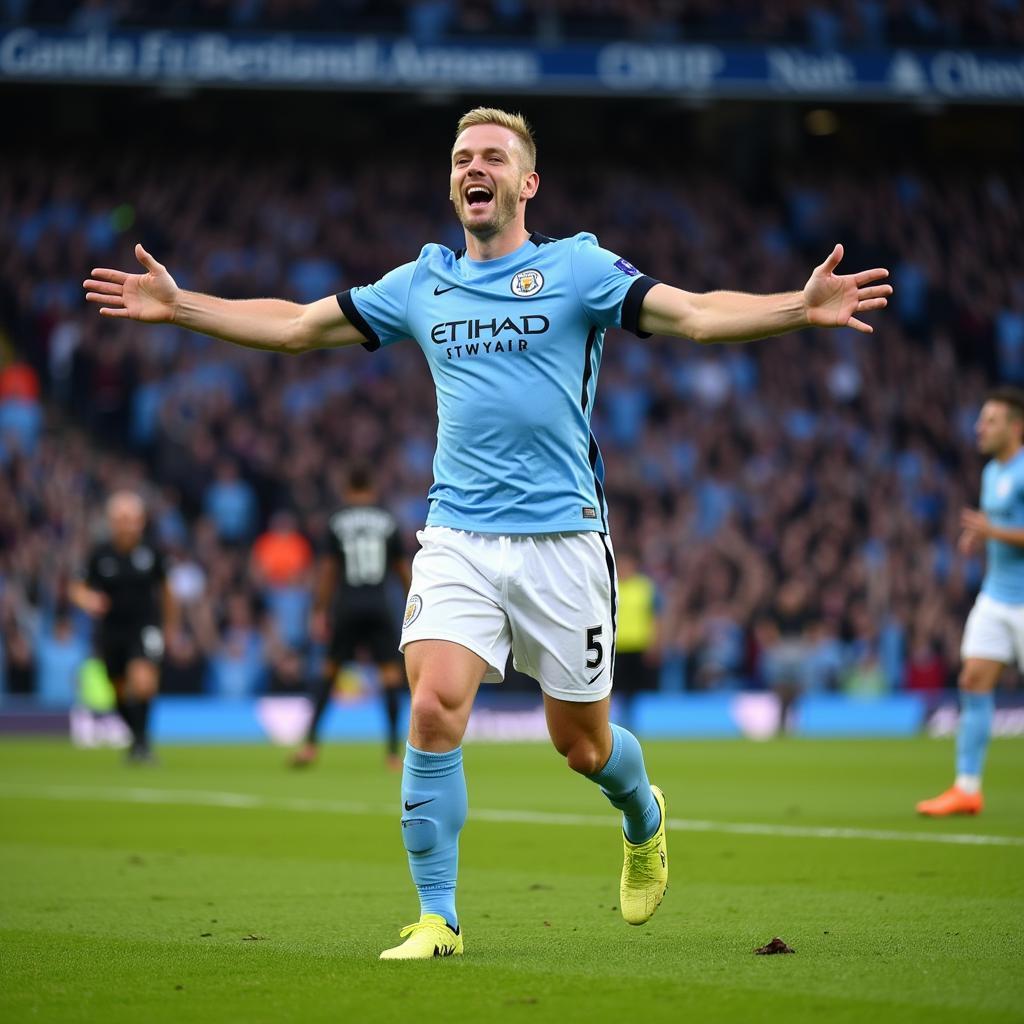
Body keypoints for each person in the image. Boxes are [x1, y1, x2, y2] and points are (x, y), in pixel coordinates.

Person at [83, 107, 890, 957]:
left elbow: (691, 314)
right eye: (463, 156)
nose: (476, 166)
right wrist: (181, 308)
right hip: (457, 536)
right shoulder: (421, 283)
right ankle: (440, 919)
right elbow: (293, 327)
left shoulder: (577, 268)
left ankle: (643, 814)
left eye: (494, 156)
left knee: (581, 746)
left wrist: (796, 309)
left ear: (526, 182)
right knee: (431, 705)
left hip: (563, 542)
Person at [917, 388, 1024, 816]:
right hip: (996, 596)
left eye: (990, 421)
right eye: (981, 420)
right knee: (972, 680)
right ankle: (967, 788)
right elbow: (997, 523)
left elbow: (1002, 528)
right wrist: (976, 536)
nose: (979, 428)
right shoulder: (991, 472)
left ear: (1016, 428)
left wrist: (991, 532)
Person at [292, 465, 412, 769]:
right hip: (379, 606)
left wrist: (319, 610)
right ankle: (392, 753)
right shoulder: (387, 520)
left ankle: (309, 746)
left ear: (347, 490)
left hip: (346, 606)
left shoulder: (336, 521)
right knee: (389, 676)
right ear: (372, 488)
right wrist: (416, 604)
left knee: (329, 672)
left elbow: (330, 572)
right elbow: (402, 571)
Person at [69, 491, 179, 762]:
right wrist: (87, 599)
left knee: (143, 683)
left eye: (132, 518)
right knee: (118, 689)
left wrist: (171, 628)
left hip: (145, 626)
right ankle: (139, 740)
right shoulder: (100, 554)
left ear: (141, 521)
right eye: (121, 518)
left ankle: (141, 745)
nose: (127, 524)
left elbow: (167, 592)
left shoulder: (153, 552)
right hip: (112, 631)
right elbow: (77, 587)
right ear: (111, 521)